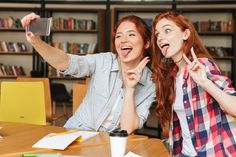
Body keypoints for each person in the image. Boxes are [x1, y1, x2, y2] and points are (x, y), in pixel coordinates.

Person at [21, 13, 155, 134]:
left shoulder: (150, 83)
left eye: (131, 34)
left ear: (147, 42)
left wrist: (130, 89)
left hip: (110, 141)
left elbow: (127, 129)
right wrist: (36, 42)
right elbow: (66, 62)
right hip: (76, 131)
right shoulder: (104, 61)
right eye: (119, 36)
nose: (123, 40)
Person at [152, 10, 236, 157]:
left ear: (185, 34)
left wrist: (205, 83)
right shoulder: (171, 76)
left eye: (167, 30)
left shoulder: (202, 65)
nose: (160, 38)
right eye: (157, 34)